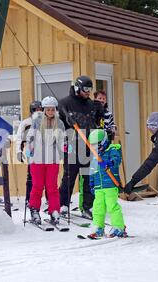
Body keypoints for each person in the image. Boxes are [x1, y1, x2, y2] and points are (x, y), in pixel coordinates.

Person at [58, 75, 104, 219]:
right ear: (78, 88)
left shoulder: (90, 104)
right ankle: (63, 205)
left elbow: (94, 123)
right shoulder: (65, 103)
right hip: (71, 145)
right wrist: (67, 124)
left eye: (90, 89)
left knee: (87, 176)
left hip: (87, 146)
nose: (88, 92)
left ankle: (87, 206)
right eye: (85, 89)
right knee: (69, 176)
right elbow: (57, 126)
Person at [26, 96, 65, 225]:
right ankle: (34, 210)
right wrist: (29, 149)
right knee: (37, 186)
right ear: (43, 110)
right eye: (47, 109)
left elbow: (62, 140)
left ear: (55, 110)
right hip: (37, 160)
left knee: (52, 187)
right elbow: (30, 137)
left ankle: (54, 211)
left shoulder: (59, 123)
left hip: (52, 160)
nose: (50, 112)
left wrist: (65, 147)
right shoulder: (37, 122)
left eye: (52, 109)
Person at [78, 90, 117, 213]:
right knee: (88, 174)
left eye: (103, 99)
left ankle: (100, 202)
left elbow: (111, 125)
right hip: (90, 145)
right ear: (95, 98)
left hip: (104, 145)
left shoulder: (107, 113)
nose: (101, 100)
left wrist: (112, 131)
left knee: (101, 173)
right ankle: (85, 204)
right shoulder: (91, 110)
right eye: (99, 98)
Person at [88, 129, 126, 239]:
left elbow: (117, 160)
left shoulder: (112, 149)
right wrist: (91, 183)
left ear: (104, 141)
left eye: (98, 145)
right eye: (94, 146)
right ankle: (98, 228)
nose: (97, 148)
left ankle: (118, 227)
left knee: (112, 206)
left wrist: (109, 163)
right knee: (97, 207)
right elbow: (92, 169)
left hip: (110, 184)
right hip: (98, 186)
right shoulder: (95, 155)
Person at [16, 100, 43, 204]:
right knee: (31, 176)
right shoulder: (26, 123)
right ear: (32, 111)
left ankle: (48, 199)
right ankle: (29, 198)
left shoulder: (47, 121)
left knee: (45, 177)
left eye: (40, 109)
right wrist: (19, 151)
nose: (38, 112)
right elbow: (19, 138)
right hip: (31, 151)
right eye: (36, 110)